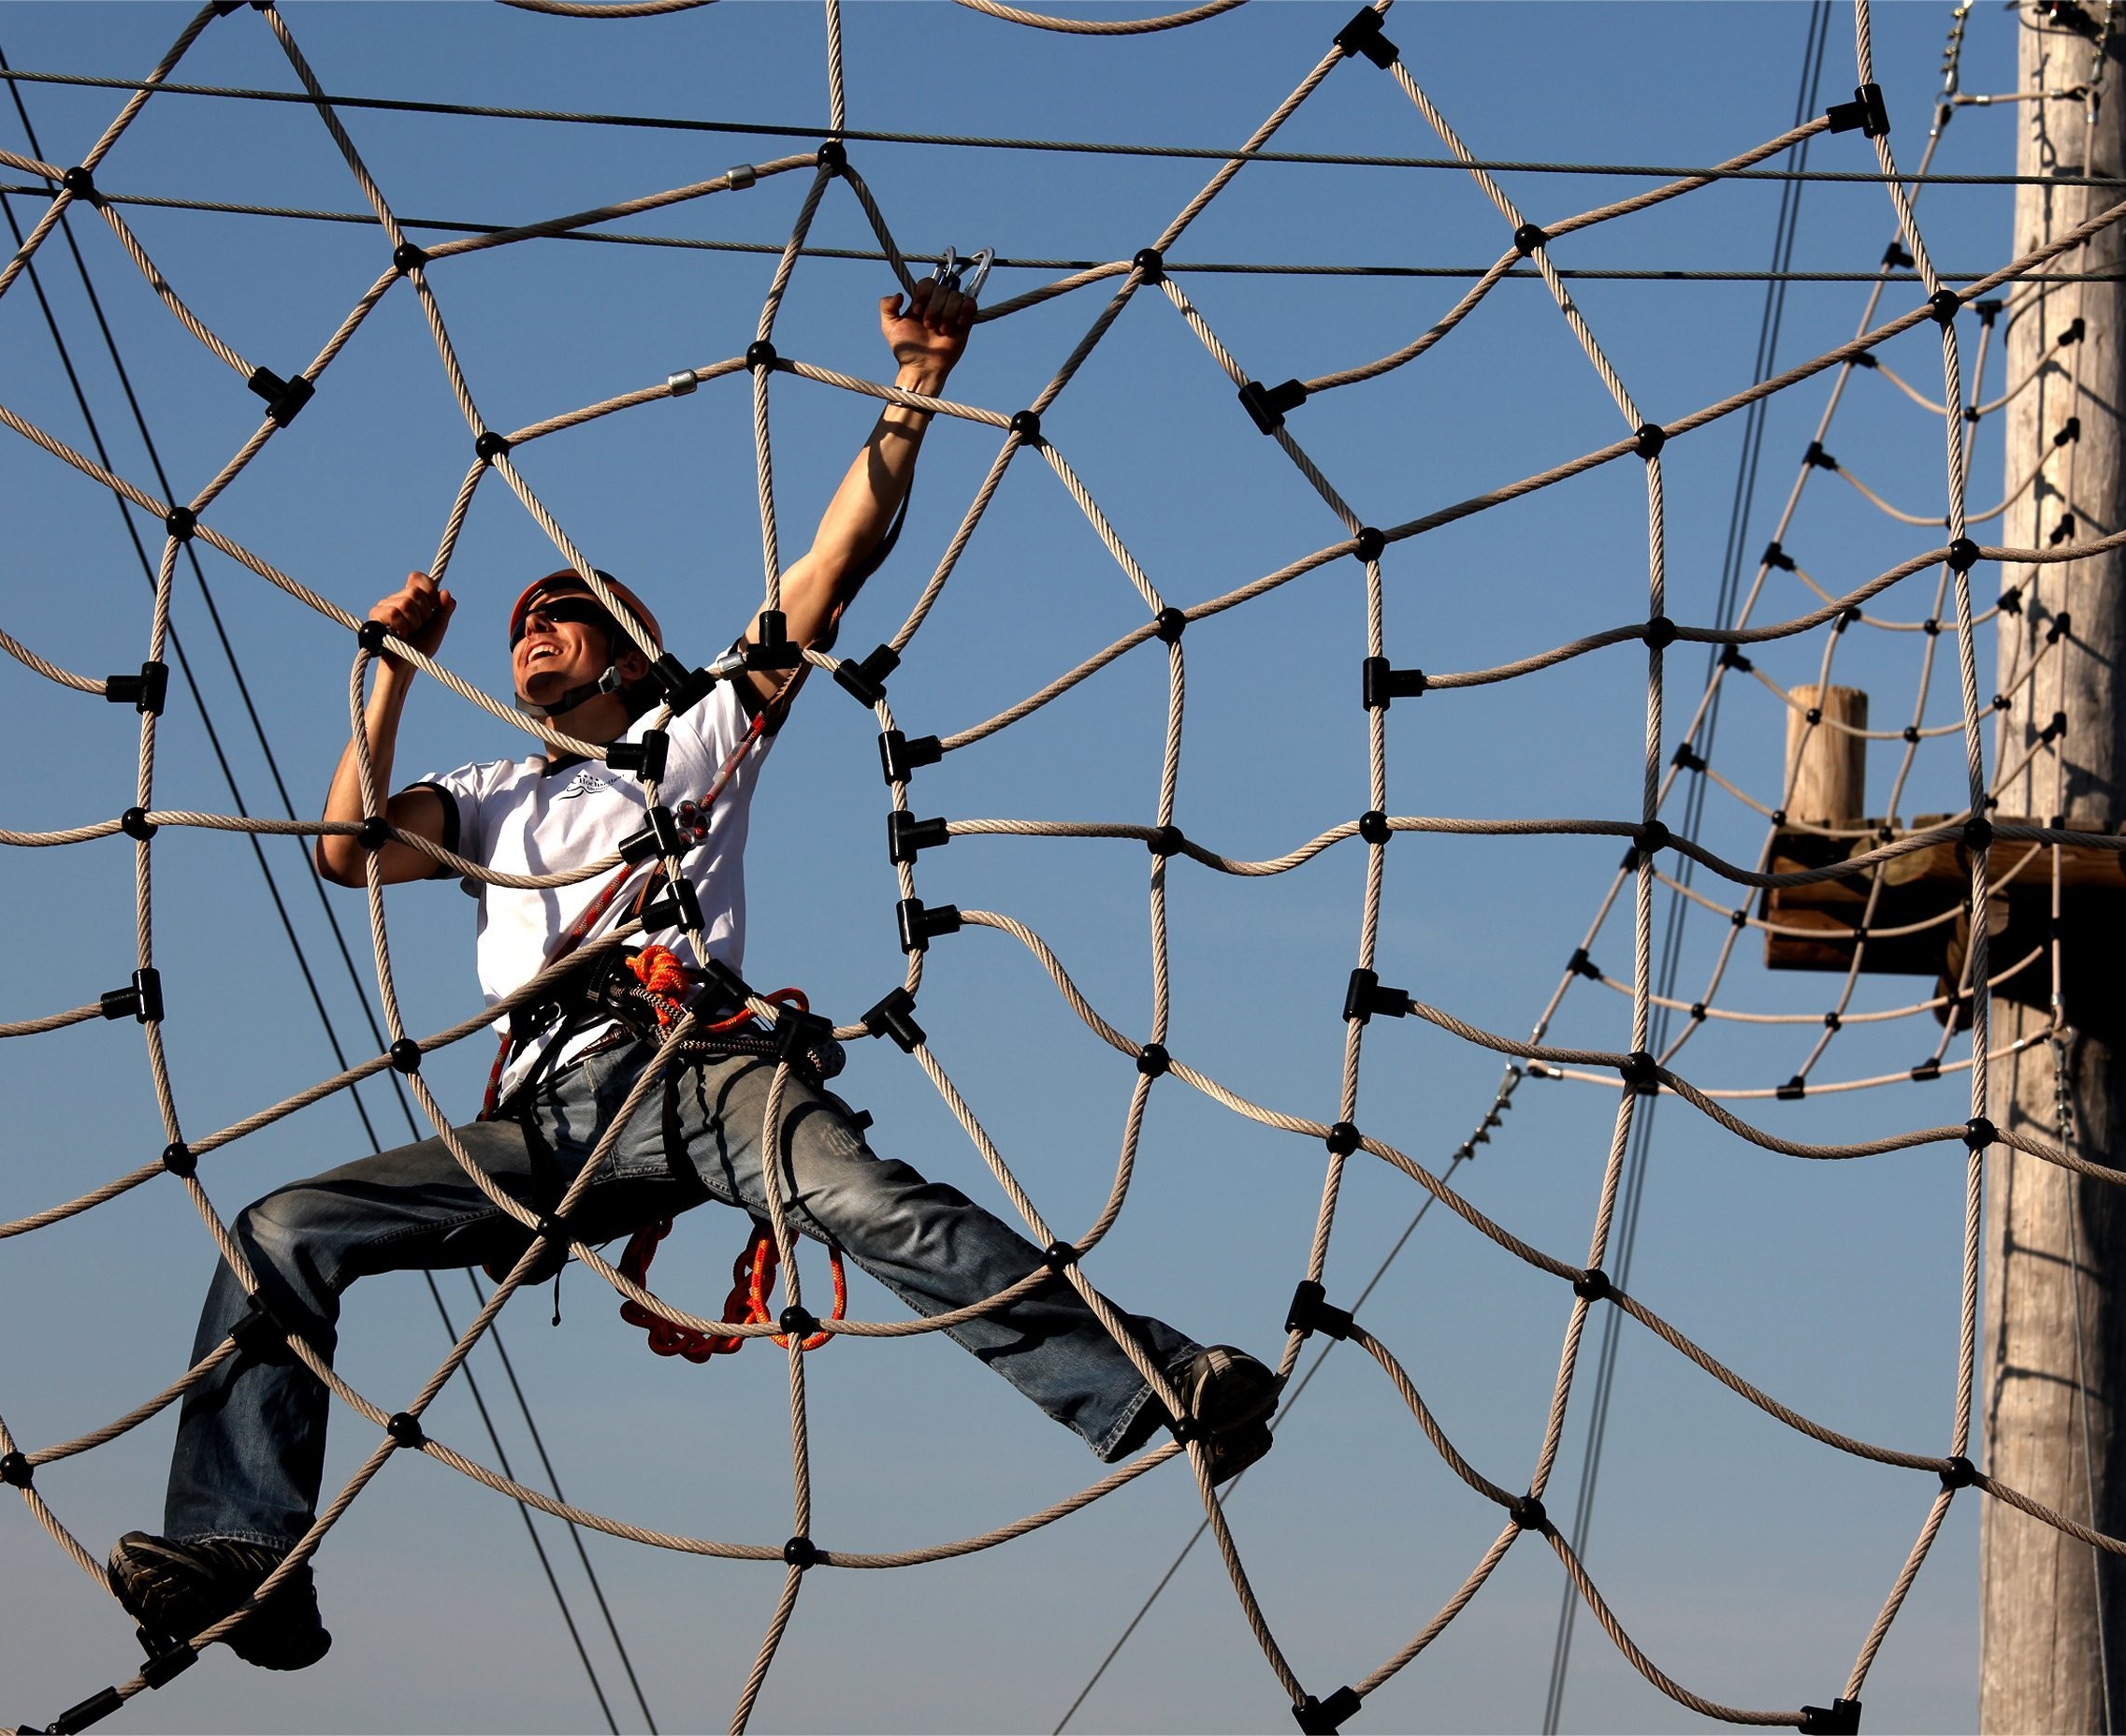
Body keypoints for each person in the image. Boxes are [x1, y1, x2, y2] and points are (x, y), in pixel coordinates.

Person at [108, 276, 1278, 1671]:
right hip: (543, 1117)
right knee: (283, 1225)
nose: (529, 636)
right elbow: (349, 852)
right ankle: (252, 1553)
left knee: (871, 1205)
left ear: (622, 641)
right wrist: (392, 675)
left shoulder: (702, 729)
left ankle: (1163, 1383)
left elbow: (832, 571)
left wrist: (911, 390)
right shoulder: (489, 797)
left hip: (702, 1067)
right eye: (517, 628)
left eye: (558, 618)